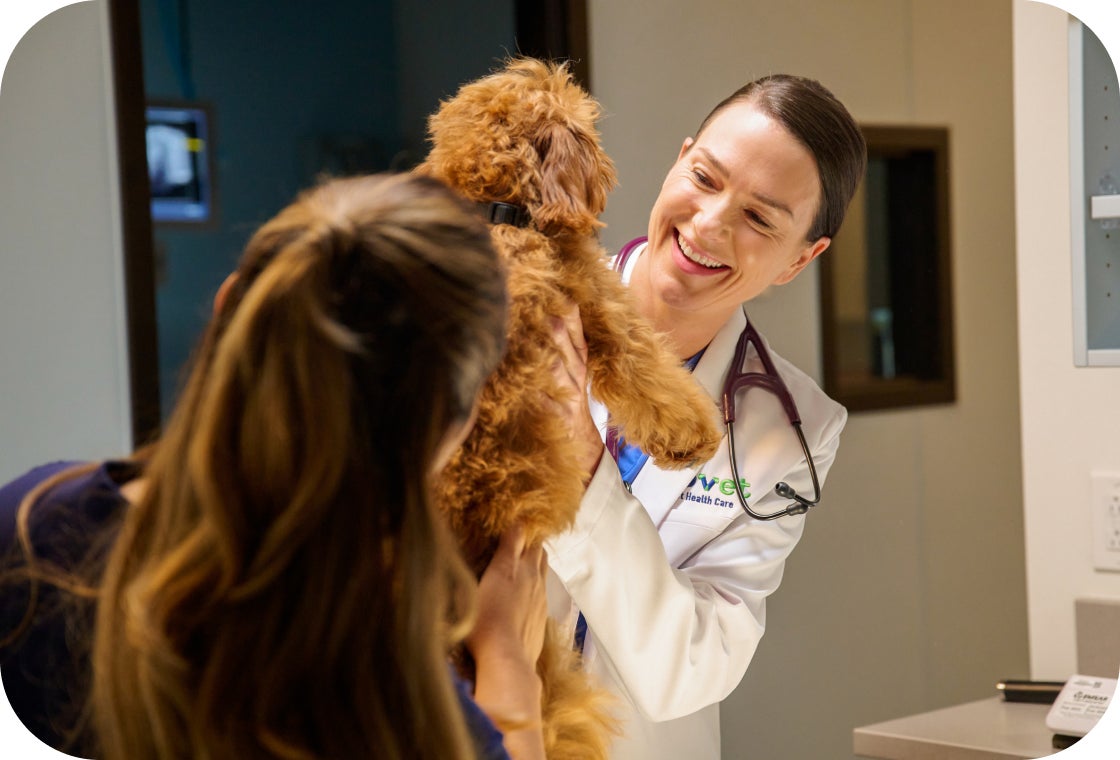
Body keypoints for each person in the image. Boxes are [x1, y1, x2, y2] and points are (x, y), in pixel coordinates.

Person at [0, 172, 549, 760]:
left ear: (228, 305)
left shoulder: (27, 530)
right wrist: (507, 664)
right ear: (454, 427)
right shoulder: (401, 709)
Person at [545, 74, 867, 758]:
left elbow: (692, 670)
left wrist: (582, 458)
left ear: (801, 259)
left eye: (760, 219)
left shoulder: (793, 430)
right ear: (679, 159)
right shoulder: (524, 312)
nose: (712, 223)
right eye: (705, 177)